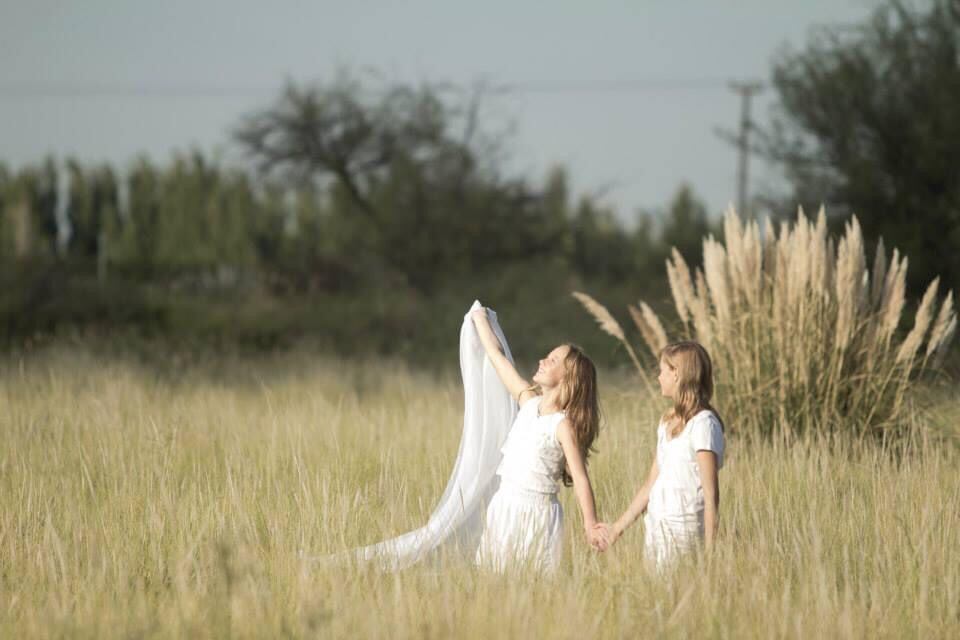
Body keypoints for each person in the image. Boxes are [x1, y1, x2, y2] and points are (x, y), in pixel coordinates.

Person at [470, 307, 606, 573]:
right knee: (493, 576)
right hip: (505, 506)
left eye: (553, 360)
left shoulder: (562, 425)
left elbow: (580, 477)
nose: (543, 360)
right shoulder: (527, 401)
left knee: (530, 580)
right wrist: (479, 319)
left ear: (569, 379)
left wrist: (590, 525)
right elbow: (497, 357)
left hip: (537, 514)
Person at [594, 341, 725, 570]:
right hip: (657, 526)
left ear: (677, 375)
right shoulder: (667, 422)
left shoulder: (703, 424)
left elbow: (711, 495)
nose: (658, 377)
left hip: (684, 530)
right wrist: (616, 530)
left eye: (663, 371)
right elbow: (650, 486)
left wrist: (711, 553)